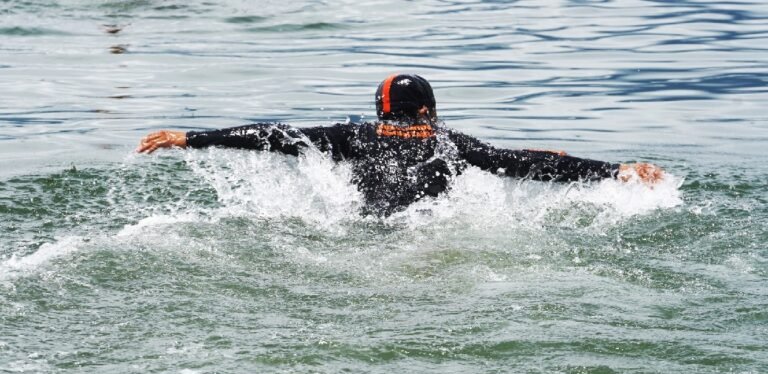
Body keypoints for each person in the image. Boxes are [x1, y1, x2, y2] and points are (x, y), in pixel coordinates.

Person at [138, 73, 664, 216]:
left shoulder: (347, 137)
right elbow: (520, 164)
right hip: (429, 243)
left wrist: (192, 138)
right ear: (429, 111)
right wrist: (614, 169)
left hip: (361, 238)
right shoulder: (452, 144)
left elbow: (271, 135)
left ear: (379, 111)